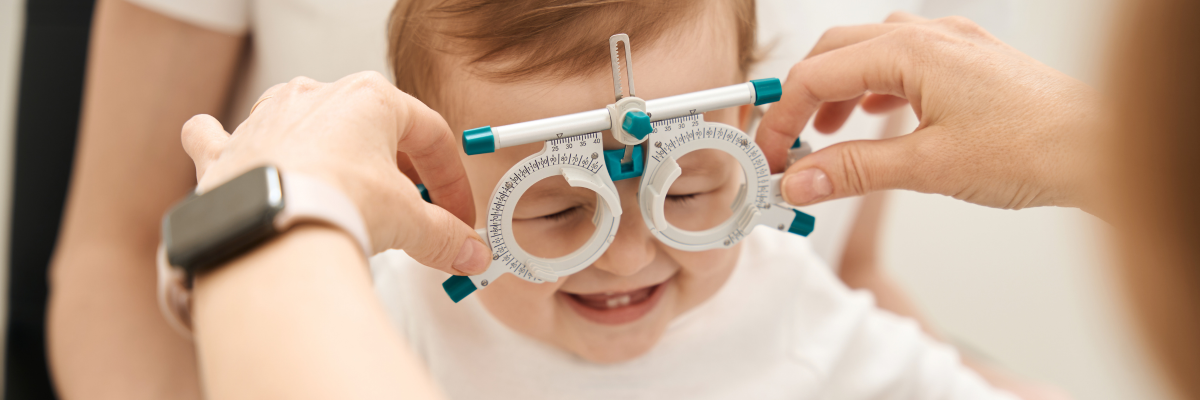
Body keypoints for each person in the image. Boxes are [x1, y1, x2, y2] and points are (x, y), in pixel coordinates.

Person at [171, 1, 1200, 399]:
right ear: (428, 183)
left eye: (692, 186)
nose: (626, 256)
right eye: (554, 210)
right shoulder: (379, 302)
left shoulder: (786, 297)